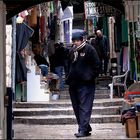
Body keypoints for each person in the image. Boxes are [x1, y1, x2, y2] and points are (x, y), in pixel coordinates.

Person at [65, 31, 100, 138]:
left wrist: (90, 76)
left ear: (82, 40)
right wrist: (68, 77)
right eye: (74, 41)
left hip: (86, 84)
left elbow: (97, 65)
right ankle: (85, 126)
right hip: (73, 83)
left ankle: (83, 130)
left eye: (77, 41)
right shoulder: (72, 51)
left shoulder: (89, 49)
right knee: (76, 107)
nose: (75, 43)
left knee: (84, 107)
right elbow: (68, 65)